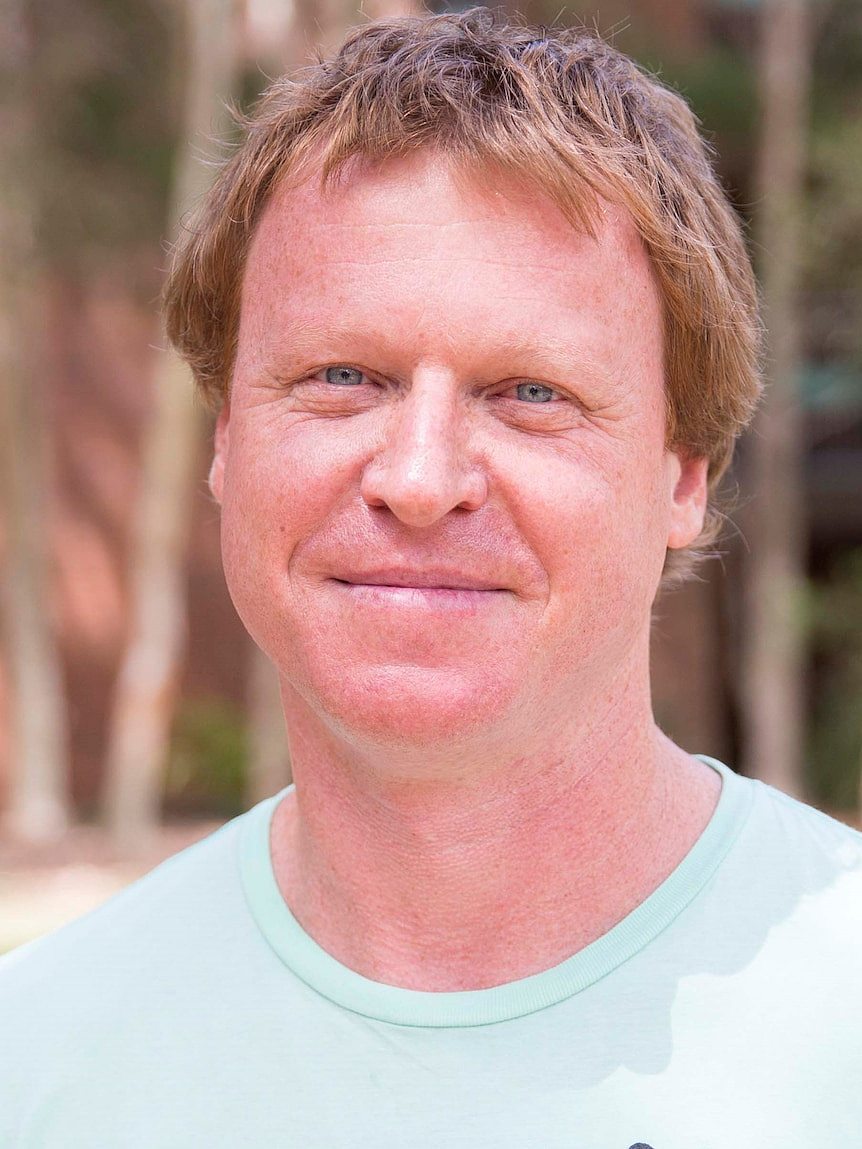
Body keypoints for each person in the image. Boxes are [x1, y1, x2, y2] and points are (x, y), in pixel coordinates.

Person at [1, 9, 860, 1146]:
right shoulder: (39, 1062)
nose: (417, 478)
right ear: (224, 440)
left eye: (529, 393)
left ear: (684, 475)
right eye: (342, 375)